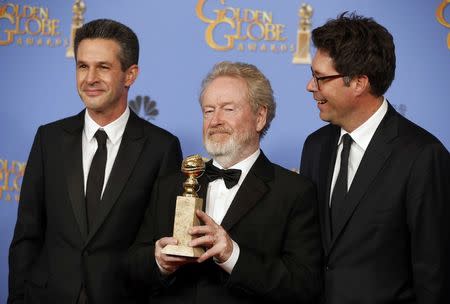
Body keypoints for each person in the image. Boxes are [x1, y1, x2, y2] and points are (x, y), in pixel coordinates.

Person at [8, 19, 182, 304]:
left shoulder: (161, 148)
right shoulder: (48, 139)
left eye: (103, 67)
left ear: (130, 75)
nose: (90, 78)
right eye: (82, 66)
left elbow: (161, 248)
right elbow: (27, 235)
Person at [125, 61, 322, 303]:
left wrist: (232, 255)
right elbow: (132, 269)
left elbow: (303, 285)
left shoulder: (294, 192)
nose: (215, 120)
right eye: (208, 111)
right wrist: (159, 262)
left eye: (228, 109)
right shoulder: (170, 185)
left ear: (260, 117)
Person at [299, 12, 450, 304]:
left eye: (320, 78)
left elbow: (435, 275)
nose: (310, 86)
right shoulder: (315, 146)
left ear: (358, 82)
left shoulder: (423, 156)